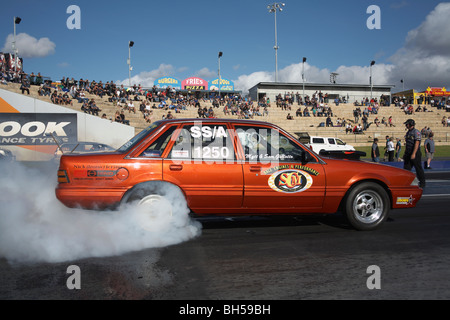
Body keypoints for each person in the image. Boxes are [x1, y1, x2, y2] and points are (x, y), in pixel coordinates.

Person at [403, 119, 426, 188]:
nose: (406, 125)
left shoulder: (416, 132)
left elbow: (417, 143)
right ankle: (406, 182)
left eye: (407, 124)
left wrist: (414, 153)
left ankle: (422, 182)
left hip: (415, 152)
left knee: (418, 168)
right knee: (406, 168)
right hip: (408, 152)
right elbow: (407, 144)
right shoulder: (408, 132)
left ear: (411, 124)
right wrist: (405, 153)